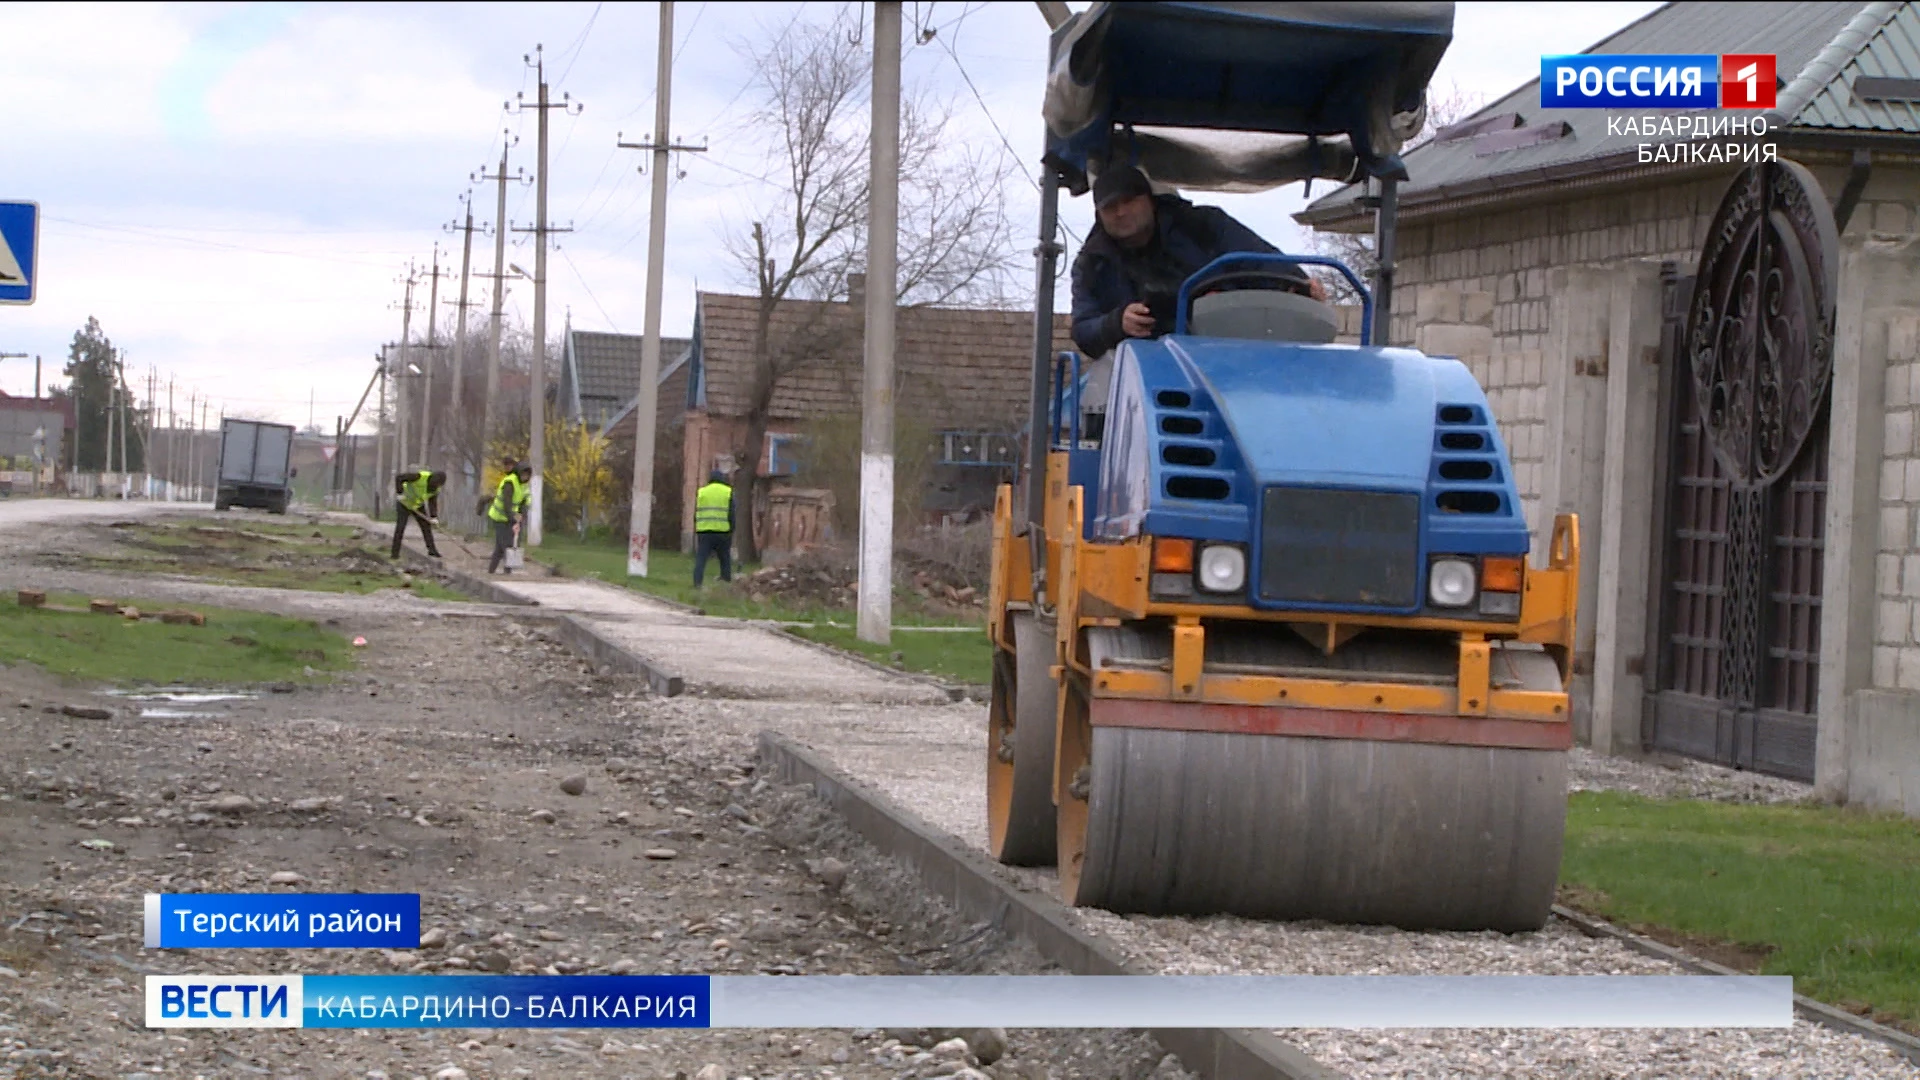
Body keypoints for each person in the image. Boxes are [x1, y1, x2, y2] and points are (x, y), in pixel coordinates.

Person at [1069, 165, 1326, 439]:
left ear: (1149, 200)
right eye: (1110, 207)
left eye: (1128, 201)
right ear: (1099, 214)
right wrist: (1116, 323)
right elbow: (1084, 328)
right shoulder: (1093, 263)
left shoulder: (1202, 226)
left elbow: (1258, 258)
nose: (1121, 212)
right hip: (1141, 378)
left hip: (1223, 359)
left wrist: (1298, 284)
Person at [487, 462, 534, 575]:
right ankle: (507, 570)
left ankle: (491, 572)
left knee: (499, 547)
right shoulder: (510, 482)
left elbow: (525, 502)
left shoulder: (524, 486)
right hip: (500, 517)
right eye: (523, 474)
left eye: (527, 475)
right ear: (518, 473)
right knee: (506, 544)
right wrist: (513, 517)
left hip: (511, 518)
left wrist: (521, 516)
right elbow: (506, 503)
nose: (525, 477)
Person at [391, 467, 446, 560]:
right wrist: (400, 493)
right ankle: (394, 554)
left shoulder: (435, 488)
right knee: (400, 528)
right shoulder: (419, 476)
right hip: (404, 503)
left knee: (426, 527)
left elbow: (432, 502)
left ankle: (432, 550)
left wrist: (433, 517)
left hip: (417, 505)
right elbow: (399, 477)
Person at [692, 469, 734, 587]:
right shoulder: (728, 491)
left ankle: (697, 583)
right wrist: (731, 530)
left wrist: (697, 527)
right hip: (722, 531)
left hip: (704, 531)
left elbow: (696, 512)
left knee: (701, 559)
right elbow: (732, 513)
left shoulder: (702, 492)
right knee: (725, 558)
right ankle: (726, 582)